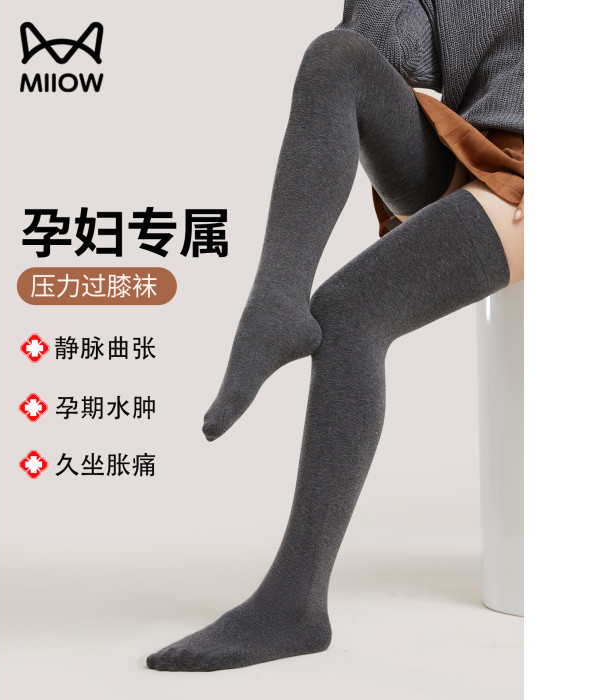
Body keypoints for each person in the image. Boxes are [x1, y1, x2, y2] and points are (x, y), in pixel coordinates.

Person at [147, 0, 523, 672]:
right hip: (464, 143)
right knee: (337, 57)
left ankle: (295, 604)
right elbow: (388, 47)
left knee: (350, 310)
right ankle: (275, 302)